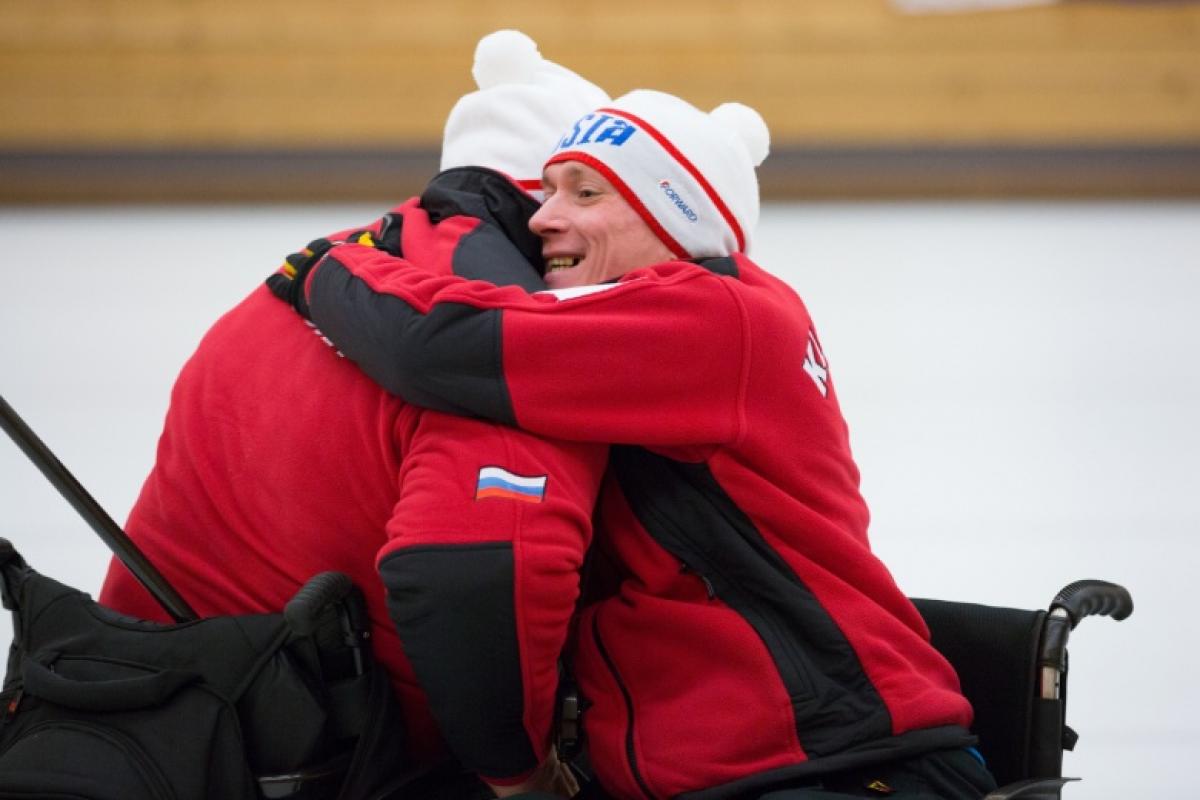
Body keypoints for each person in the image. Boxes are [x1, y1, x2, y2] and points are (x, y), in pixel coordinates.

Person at [272, 90, 999, 799]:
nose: (544, 218)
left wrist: (332, 267)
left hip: (837, 765)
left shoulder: (715, 314)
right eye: (548, 190)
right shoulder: (706, 322)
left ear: (676, 216)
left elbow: (440, 346)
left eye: (585, 195)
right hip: (796, 756)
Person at [99, 31, 609, 798]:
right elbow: (468, 573)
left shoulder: (318, 266)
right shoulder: (516, 336)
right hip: (310, 757)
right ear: (547, 205)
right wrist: (521, 774)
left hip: (142, 716)